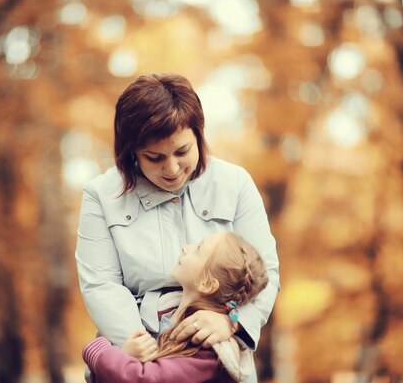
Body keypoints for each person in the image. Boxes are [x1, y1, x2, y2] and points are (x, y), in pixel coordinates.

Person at [75, 73, 279, 381]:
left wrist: (232, 322)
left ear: (199, 136)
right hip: (133, 355)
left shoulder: (236, 184)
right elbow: (101, 284)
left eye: (182, 152)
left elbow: (265, 273)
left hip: (212, 352)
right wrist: (139, 351)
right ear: (132, 152)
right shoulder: (100, 195)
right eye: (154, 157)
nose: (171, 169)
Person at [82, 231, 268, 383]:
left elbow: (142, 379)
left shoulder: (208, 350)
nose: (185, 248)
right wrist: (124, 356)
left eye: (198, 249)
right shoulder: (164, 315)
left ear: (207, 284)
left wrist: (100, 350)